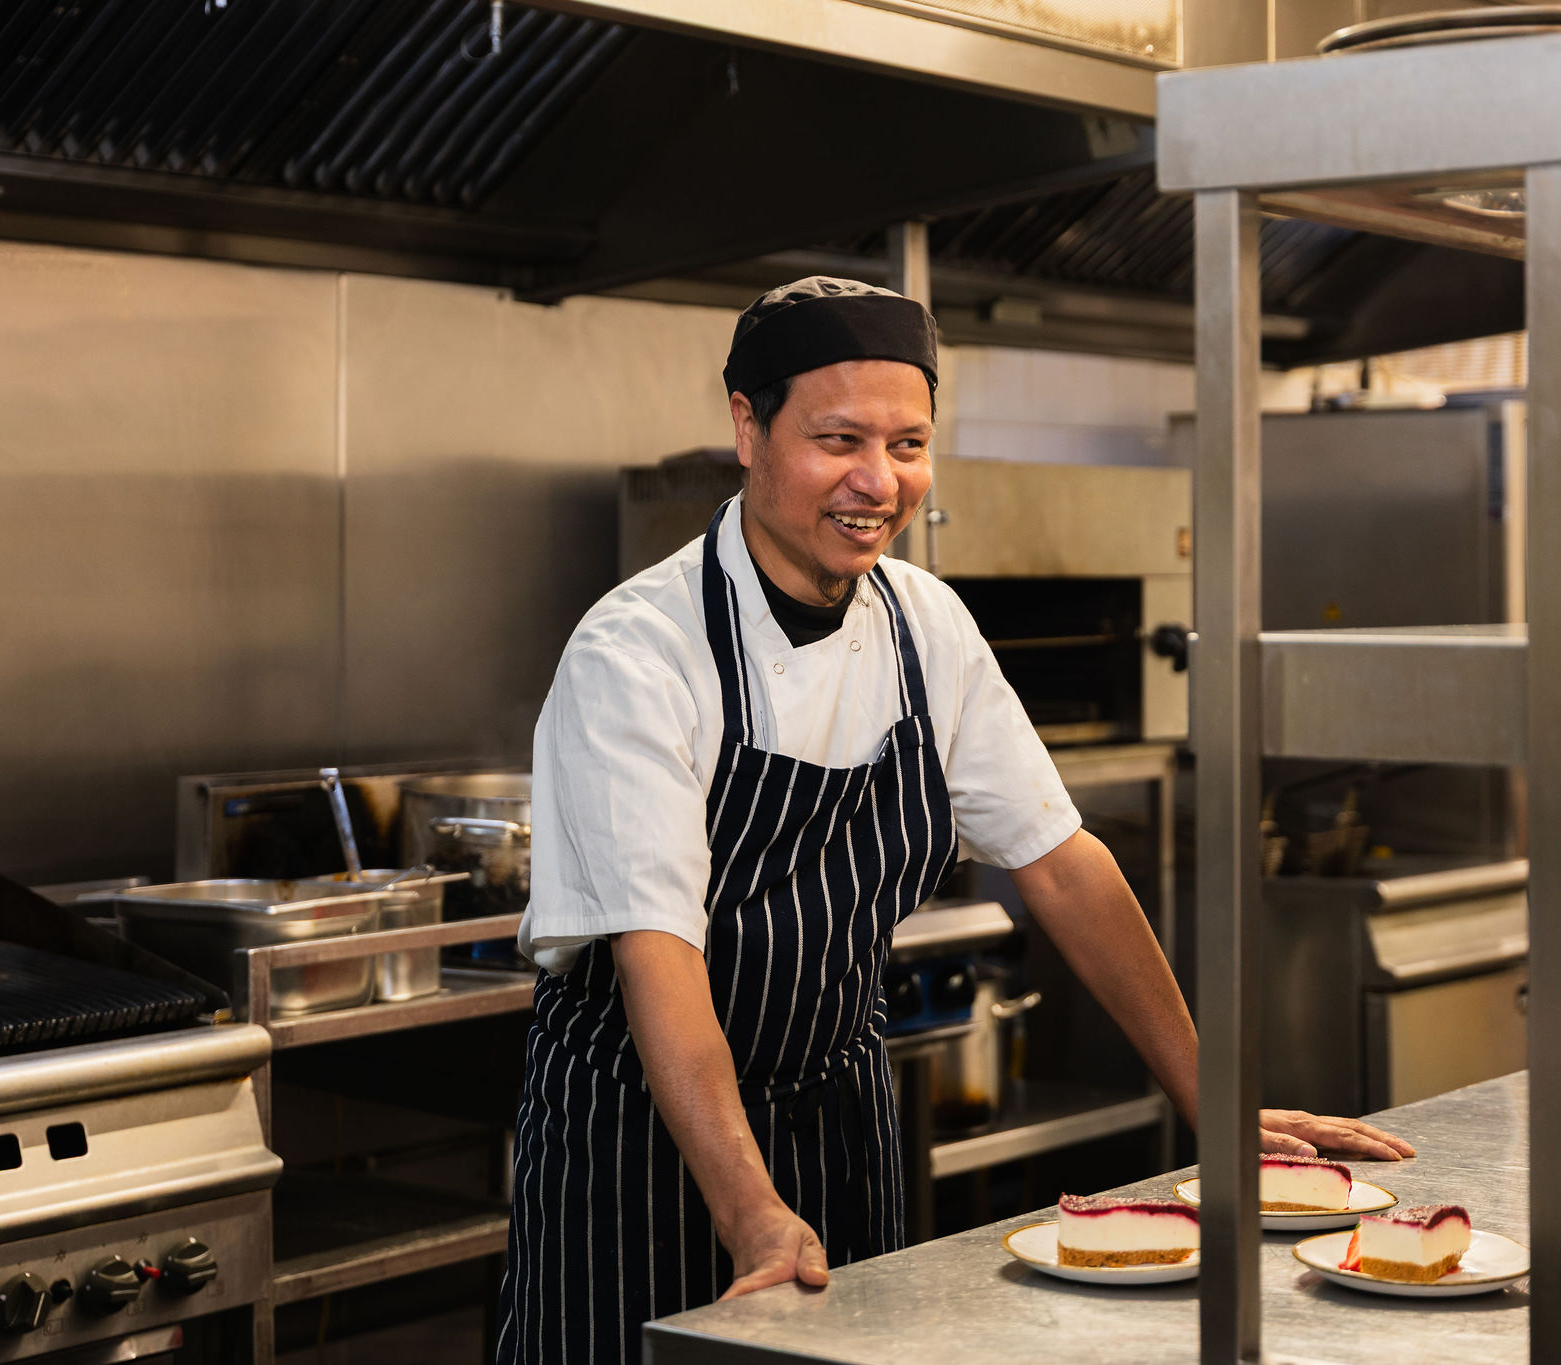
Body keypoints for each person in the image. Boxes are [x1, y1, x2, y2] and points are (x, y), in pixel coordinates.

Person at [494, 277, 1410, 1364]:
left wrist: (1213, 1102)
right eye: (837, 440)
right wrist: (746, 1206)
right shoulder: (637, 653)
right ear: (747, 425)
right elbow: (659, 959)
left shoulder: (924, 624)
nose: (878, 483)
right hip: (642, 1138)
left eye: (909, 444)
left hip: (841, 1115)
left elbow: (1062, 865)